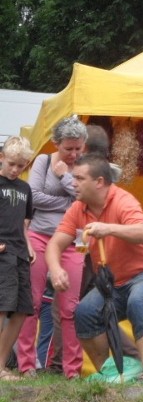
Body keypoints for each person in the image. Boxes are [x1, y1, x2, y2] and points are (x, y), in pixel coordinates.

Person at [46, 154, 143, 381]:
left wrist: (109, 228)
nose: (73, 183)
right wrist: (55, 269)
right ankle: (110, 374)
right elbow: (55, 243)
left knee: (139, 302)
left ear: (100, 182)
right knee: (85, 312)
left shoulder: (122, 200)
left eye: (80, 178)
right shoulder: (77, 208)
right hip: (114, 283)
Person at [18, 115, 87, 379]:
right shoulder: (43, 161)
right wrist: (71, 205)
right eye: (68, 148)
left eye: (78, 148)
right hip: (39, 237)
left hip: (71, 243)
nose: (73, 153)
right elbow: (33, 196)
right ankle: (27, 364)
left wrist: (67, 179)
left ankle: (72, 369)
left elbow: (86, 196)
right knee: (31, 302)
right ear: (56, 143)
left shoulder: (86, 166)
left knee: (70, 306)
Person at [0, 137, 36, 381]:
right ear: (2, 158)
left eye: (20, 165)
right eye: (11, 163)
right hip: (2, 252)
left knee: (23, 309)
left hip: (21, 252)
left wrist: (30, 245)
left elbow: (24, 224)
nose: (15, 169)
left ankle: (1, 364)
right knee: (2, 307)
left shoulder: (25, 189)